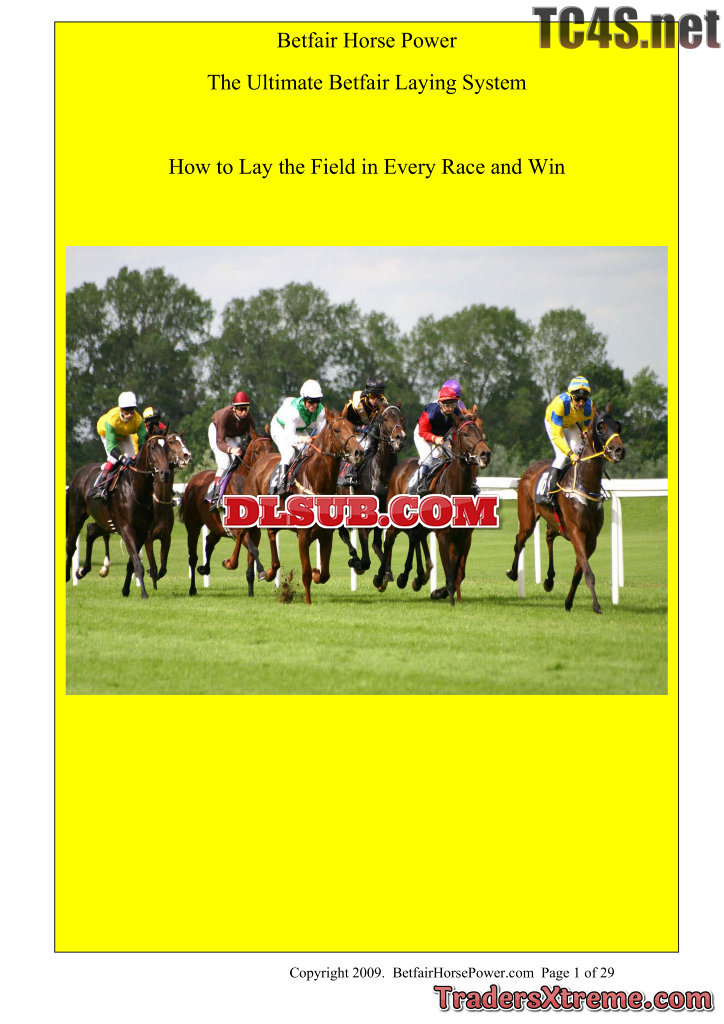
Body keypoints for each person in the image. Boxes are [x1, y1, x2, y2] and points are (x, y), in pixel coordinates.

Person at [270, 379, 326, 496]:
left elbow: (322, 435)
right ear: (304, 399)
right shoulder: (293, 411)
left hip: (298, 429)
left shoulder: (320, 410)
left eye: (317, 401)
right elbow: (289, 437)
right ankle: (279, 484)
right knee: (289, 453)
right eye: (311, 401)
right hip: (280, 427)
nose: (315, 405)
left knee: (310, 451)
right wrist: (302, 439)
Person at [544, 375, 594, 502]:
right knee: (562, 456)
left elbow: (587, 424)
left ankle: (577, 486)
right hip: (554, 424)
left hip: (570, 423)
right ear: (571, 396)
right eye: (577, 399)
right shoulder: (559, 404)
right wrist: (570, 454)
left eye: (584, 399)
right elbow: (557, 435)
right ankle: (548, 492)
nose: (581, 403)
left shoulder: (589, 406)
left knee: (579, 451)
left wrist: (585, 431)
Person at [90, 390, 147, 499]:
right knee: (114, 459)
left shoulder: (138, 420)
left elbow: (142, 442)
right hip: (106, 433)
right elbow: (112, 447)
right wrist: (123, 459)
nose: (130, 415)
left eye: (132, 411)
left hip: (124, 434)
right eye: (127, 411)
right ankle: (100, 485)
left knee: (133, 458)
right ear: (121, 409)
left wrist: (139, 454)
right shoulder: (112, 419)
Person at [207, 391, 257, 509]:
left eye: (246, 408)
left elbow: (253, 436)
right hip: (217, 433)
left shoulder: (249, 418)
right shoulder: (224, 416)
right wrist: (231, 449)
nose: (244, 412)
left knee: (240, 459)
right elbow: (220, 442)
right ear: (234, 408)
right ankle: (216, 495)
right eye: (240, 408)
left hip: (233, 434)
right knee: (225, 463)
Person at [411, 385, 460, 495]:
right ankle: (422, 485)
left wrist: (454, 441)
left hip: (442, 434)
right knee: (427, 459)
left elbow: (457, 429)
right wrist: (434, 438)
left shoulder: (456, 412)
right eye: (447, 405)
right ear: (440, 404)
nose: (450, 408)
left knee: (454, 457)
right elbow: (422, 432)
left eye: (453, 404)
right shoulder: (431, 413)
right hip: (423, 434)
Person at [338, 376, 387, 486]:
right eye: (372, 396)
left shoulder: (384, 404)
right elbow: (343, 423)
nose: (375, 400)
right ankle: (351, 473)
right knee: (364, 446)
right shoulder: (355, 404)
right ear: (368, 394)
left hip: (371, 434)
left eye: (378, 396)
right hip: (352, 434)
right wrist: (359, 428)